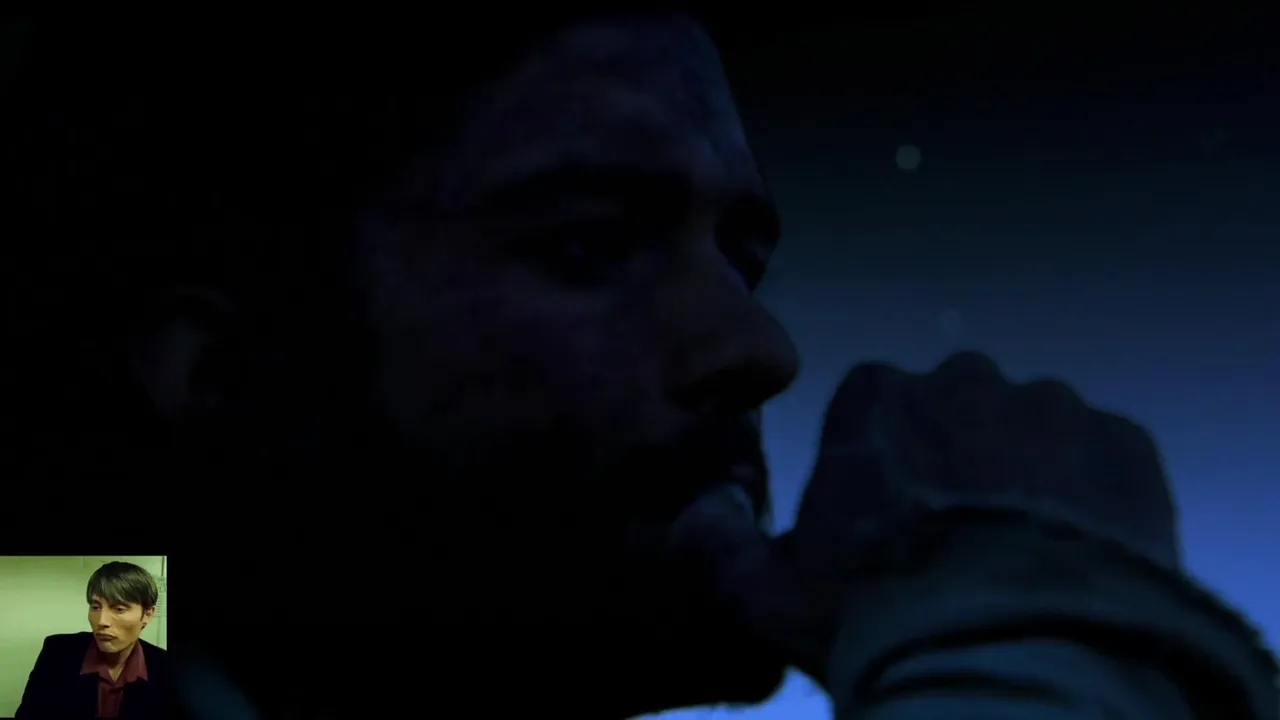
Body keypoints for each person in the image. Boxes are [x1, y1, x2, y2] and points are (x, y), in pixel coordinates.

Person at [5, 13, 1276, 720]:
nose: (760, 353)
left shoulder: (77, 658)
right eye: (586, 244)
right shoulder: (65, 665)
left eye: (741, 263)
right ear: (218, 369)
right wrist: (1030, 633)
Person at [16, 562, 172, 719]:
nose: (102, 621)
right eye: (95, 607)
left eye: (119, 609)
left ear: (147, 614)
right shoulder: (58, 652)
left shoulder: (166, 667)